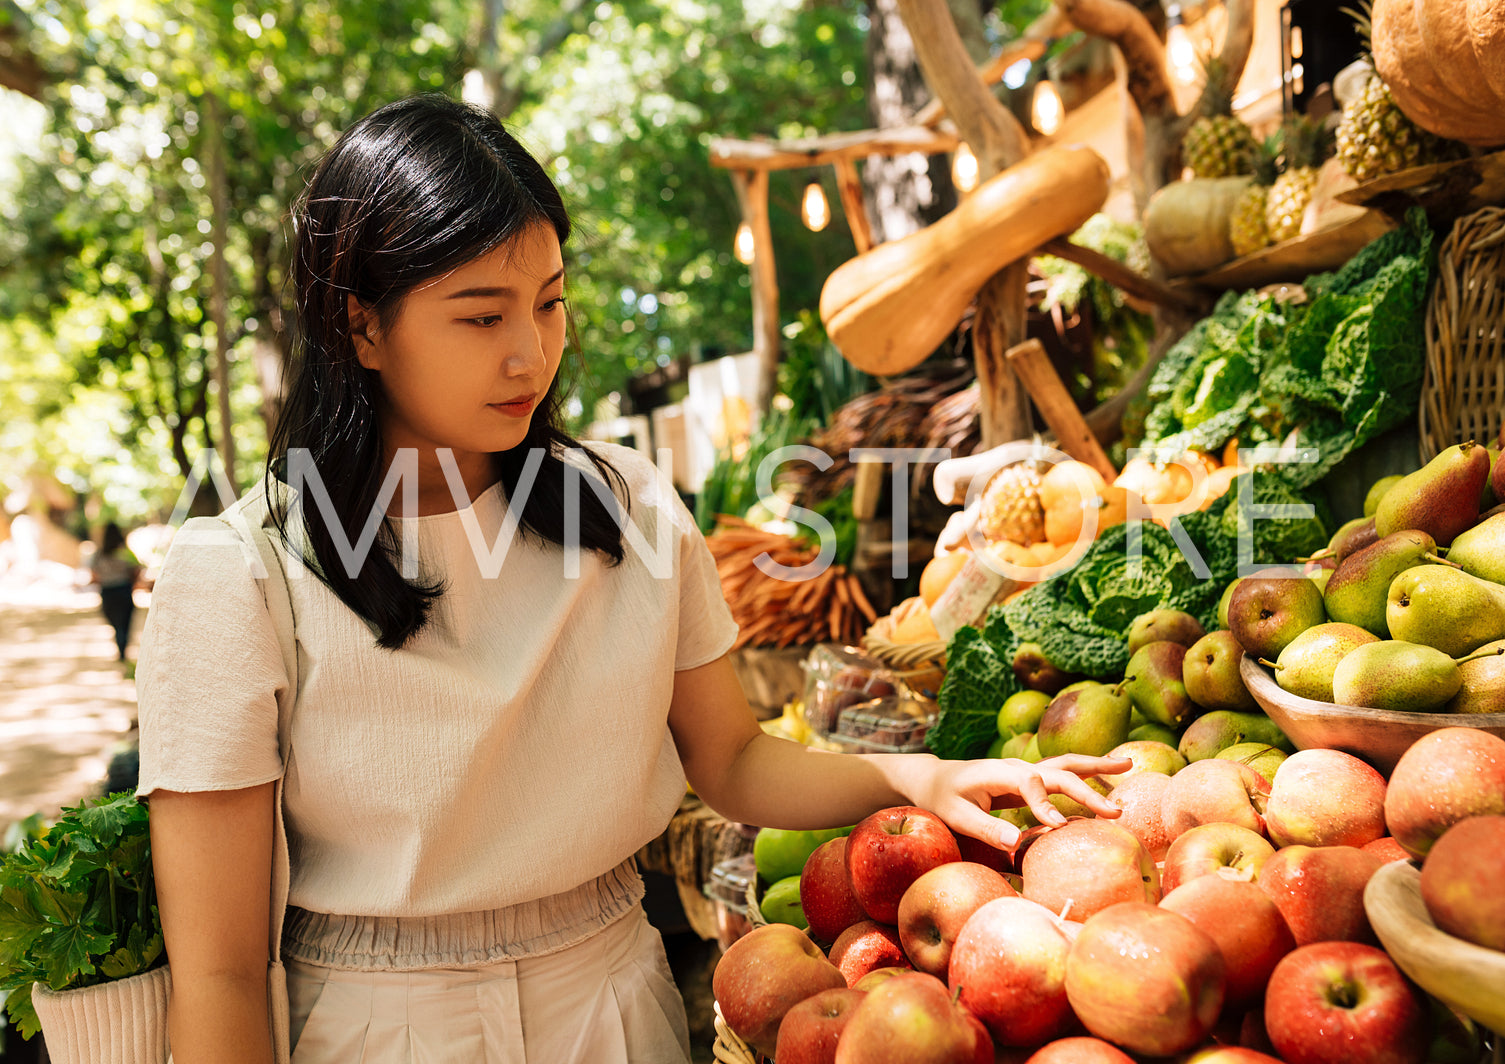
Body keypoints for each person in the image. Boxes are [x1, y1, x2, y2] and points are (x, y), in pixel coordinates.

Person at [135, 94, 1129, 1064]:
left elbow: (730, 758)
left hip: (611, 996)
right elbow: (219, 969)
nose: (531, 352)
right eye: (479, 317)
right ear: (360, 326)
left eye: (550, 300)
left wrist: (926, 778)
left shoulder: (629, 508)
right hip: (372, 1022)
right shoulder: (238, 573)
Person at [91, 521, 141, 662]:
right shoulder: (125, 552)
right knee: (124, 623)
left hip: (108, 592)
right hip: (124, 590)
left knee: (117, 624)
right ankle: (122, 649)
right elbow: (137, 569)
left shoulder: (99, 555)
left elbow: (93, 574)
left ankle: (121, 649)